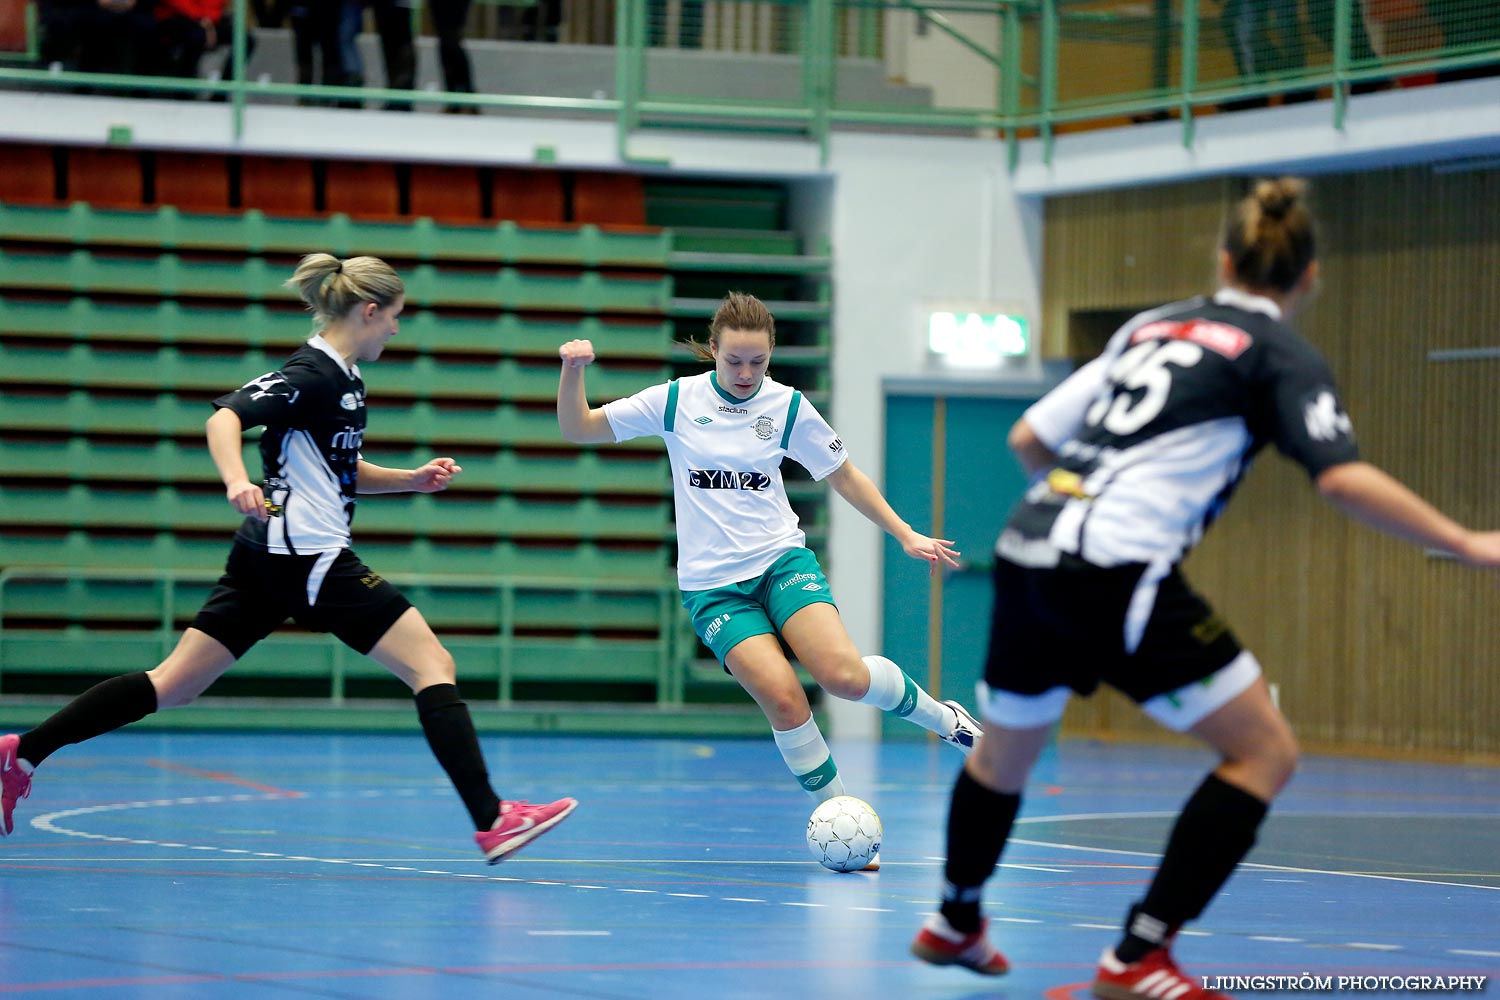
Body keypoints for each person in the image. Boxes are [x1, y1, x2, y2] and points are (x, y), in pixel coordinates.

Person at [908, 178, 1500, 995]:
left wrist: (1088, 502)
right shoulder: (1280, 354)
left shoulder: (1149, 326)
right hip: (1114, 568)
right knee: (1264, 752)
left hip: (1027, 544)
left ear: (1223, 260)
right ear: (1309, 278)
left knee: (1005, 756)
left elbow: (1028, 436)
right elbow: (1339, 478)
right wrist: (1466, 542)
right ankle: (1137, 955)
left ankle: (955, 919)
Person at [0, 254, 577, 864]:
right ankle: (493, 819)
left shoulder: (347, 380)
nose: (396, 331)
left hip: (267, 555)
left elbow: (339, 470)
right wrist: (234, 481)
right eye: (395, 318)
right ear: (369, 310)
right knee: (431, 662)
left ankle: (23, 754)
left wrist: (410, 478)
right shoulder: (313, 373)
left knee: (174, 684)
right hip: (309, 555)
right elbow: (224, 418)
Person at [557, 291, 982, 867]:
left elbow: (844, 475)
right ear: (712, 351)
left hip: (781, 561)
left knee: (843, 678)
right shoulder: (677, 400)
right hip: (712, 587)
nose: (745, 373)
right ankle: (838, 816)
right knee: (784, 699)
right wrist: (573, 372)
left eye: (758, 361)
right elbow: (579, 428)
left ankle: (944, 718)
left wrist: (904, 532)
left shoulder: (788, 407)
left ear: (771, 354)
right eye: (734, 360)